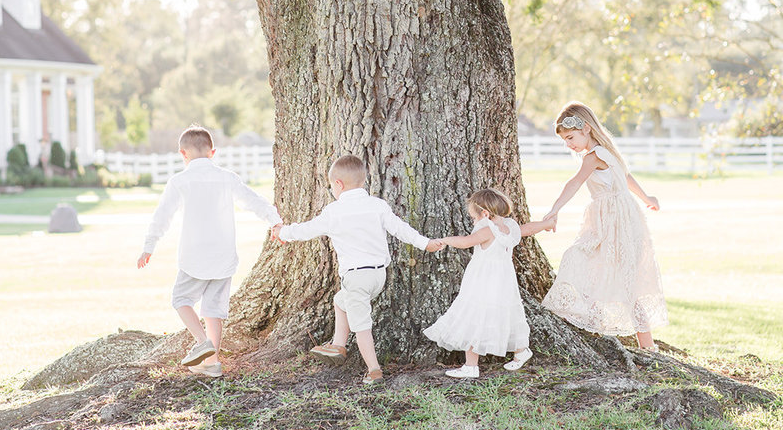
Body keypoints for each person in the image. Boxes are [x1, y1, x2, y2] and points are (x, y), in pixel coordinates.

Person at [272, 153, 444, 386]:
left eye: (331, 185)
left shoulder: (334, 212)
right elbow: (401, 229)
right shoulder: (377, 205)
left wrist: (282, 232)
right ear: (362, 181)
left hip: (355, 277)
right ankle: (338, 345)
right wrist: (426, 243)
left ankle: (374, 370)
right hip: (378, 276)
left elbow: (305, 230)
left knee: (362, 326)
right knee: (340, 301)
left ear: (338, 184)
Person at [137, 124, 282, 379]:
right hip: (223, 257)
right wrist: (274, 219)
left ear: (183, 154)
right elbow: (253, 200)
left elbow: (162, 217)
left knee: (181, 300)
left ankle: (202, 342)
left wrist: (149, 246)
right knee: (213, 310)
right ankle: (213, 361)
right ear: (212, 152)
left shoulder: (179, 181)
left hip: (194, 257)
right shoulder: (227, 178)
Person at [541, 102, 667, 350]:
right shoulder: (607, 151)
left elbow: (575, 183)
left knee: (612, 273)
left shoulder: (595, 155)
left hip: (615, 223)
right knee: (602, 268)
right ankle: (629, 337)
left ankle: (646, 344)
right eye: (565, 140)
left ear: (586, 128)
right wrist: (646, 199)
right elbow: (626, 177)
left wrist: (554, 210)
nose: (569, 144)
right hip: (618, 219)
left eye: (571, 137)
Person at [424, 188, 554, 378]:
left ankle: (471, 366)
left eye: (473, 218)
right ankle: (521, 350)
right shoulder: (508, 227)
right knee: (507, 314)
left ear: (485, 214)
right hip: (503, 282)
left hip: (483, 281)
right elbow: (528, 229)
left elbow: (466, 242)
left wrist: (444, 240)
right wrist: (546, 224)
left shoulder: (487, 230)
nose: (473, 222)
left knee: (474, 316)